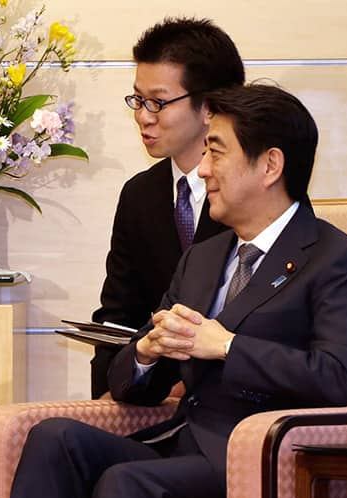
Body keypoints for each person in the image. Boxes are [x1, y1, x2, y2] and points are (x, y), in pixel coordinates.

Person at [0, 84, 347, 498]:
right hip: (184, 441)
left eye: (217, 152)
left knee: (126, 482)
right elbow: (132, 386)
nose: (205, 170)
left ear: (269, 165)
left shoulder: (338, 260)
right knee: (54, 437)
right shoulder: (205, 257)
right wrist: (144, 351)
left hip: (260, 455)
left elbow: (340, 380)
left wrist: (228, 346)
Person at [90, 17, 244, 398]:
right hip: (145, 395)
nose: (143, 116)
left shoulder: (254, 191)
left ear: (209, 106)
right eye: (138, 100)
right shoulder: (140, 195)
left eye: (157, 102)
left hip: (227, 401)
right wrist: (106, 398)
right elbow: (117, 317)